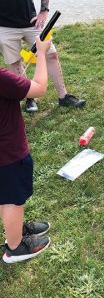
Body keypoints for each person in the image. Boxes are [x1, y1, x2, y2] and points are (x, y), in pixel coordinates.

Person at [1, 36, 51, 264]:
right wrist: (41, 53)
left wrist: (16, 82)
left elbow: (13, 90)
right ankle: (15, 247)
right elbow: (39, 89)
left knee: (6, 194)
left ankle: (15, 230)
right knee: (13, 198)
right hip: (8, 152)